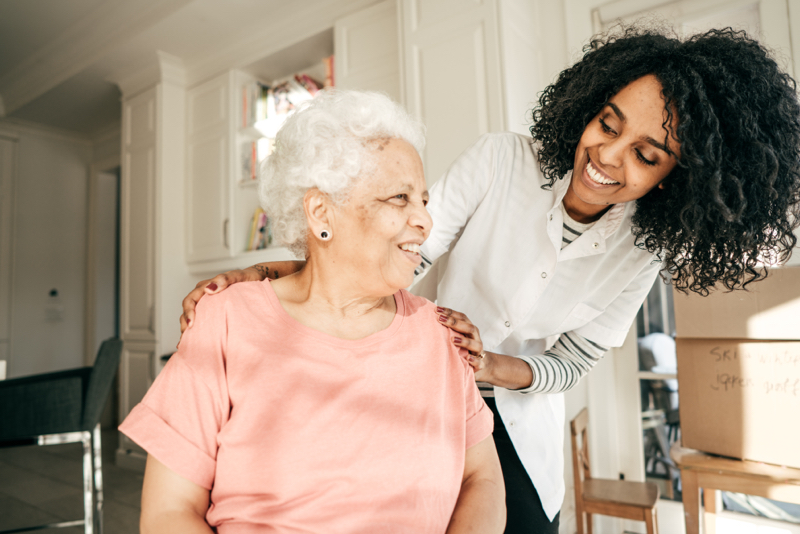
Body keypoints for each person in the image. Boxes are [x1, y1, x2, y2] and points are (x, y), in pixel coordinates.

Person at [179, 27, 800, 533]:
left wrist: (494, 366)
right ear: (589, 108)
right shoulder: (503, 161)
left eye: (646, 154)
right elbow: (405, 252)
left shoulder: (641, 251)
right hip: (422, 393)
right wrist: (281, 275)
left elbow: (577, 358)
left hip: (521, 424)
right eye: (609, 124)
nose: (609, 156)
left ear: (676, 177)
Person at [121, 90, 506, 534]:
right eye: (400, 198)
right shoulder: (224, 320)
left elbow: (483, 479)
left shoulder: (442, 334)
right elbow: (170, 511)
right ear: (322, 212)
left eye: (423, 200)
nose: (425, 220)